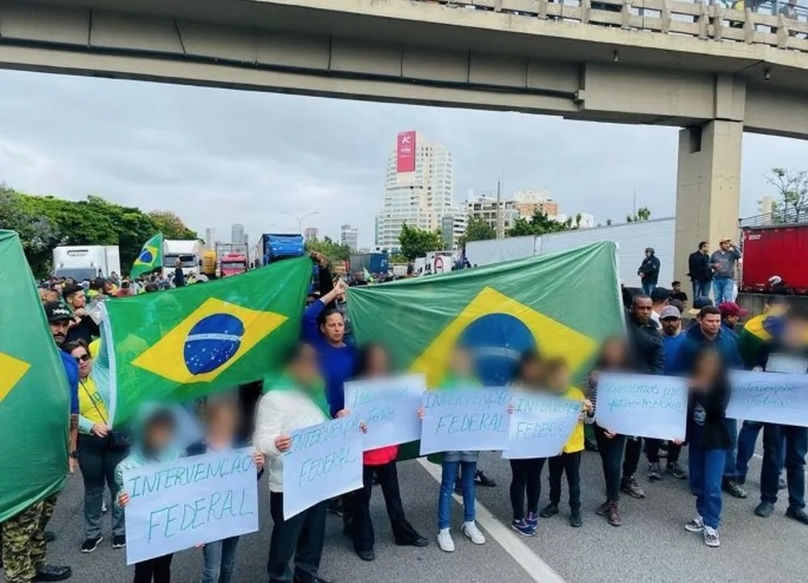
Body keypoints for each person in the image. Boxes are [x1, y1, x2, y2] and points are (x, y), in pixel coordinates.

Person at [253, 343, 349, 583]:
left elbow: (323, 431)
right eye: (306, 361)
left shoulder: (315, 393)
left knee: (313, 534)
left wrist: (340, 421)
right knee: (286, 539)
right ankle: (279, 577)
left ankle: (307, 575)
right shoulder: (274, 398)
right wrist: (276, 443)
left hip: (316, 480)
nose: (313, 366)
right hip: (288, 484)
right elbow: (260, 440)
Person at [1, 303, 77, 583]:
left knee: (40, 518)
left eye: (64, 323)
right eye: (55, 323)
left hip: (52, 455)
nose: (60, 329)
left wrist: (71, 451)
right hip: (20, 458)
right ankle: (19, 575)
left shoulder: (67, 361)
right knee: (18, 523)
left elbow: (72, 410)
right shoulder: (14, 357)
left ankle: (36, 565)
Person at [343, 343, 428, 560]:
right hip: (364, 452)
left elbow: (408, 408)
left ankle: (403, 534)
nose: (378, 362)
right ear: (366, 360)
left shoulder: (395, 384)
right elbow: (349, 417)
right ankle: (363, 541)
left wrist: (420, 411)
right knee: (362, 499)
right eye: (374, 358)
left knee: (393, 496)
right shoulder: (357, 386)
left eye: (381, 358)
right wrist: (345, 416)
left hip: (388, 450)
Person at [187, 397, 264, 583]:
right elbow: (184, 483)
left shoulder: (239, 448)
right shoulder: (196, 448)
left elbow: (248, 480)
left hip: (232, 516)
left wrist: (259, 468)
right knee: (211, 571)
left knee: (228, 564)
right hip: (209, 517)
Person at [675, 306, 747, 500]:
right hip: (697, 401)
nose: (715, 325)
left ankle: (729, 479)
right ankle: (698, 484)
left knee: (728, 440)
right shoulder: (688, 341)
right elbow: (680, 371)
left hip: (723, 402)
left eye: (717, 320)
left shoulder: (730, 339)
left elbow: (738, 366)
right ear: (700, 320)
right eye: (710, 321)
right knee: (698, 443)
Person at [64, 339, 128, 554]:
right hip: (89, 442)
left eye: (84, 357)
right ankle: (92, 534)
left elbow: (109, 339)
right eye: (75, 359)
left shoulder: (102, 370)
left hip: (115, 439)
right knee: (93, 491)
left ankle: (120, 530)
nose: (81, 362)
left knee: (118, 487)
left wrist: (104, 312)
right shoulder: (66, 383)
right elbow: (68, 413)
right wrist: (91, 426)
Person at [421, 348, 486, 553]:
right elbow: (435, 409)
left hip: (470, 442)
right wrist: (426, 412)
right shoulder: (445, 383)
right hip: (450, 443)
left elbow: (486, 410)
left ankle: (469, 522)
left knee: (468, 484)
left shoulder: (476, 384)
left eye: (465, 361)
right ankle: (443, 528)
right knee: (448, 484)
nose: (461, 365)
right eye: (457, 361)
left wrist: (505, 410)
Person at [753, 305, 808, 525]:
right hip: (774, 411)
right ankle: (768, 500)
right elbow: (757, 374)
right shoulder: (768, 346)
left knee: (796, 459)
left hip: (800, 413)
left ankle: (796, 505)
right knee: (772, 455)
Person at [116, 406, 183, 583]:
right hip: (142, 527)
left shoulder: (177, 454)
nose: (161, 436)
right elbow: (121, 491)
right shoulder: (129, 465)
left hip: (167, 524)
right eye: (156, 431)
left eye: (166, 431)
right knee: (143, 571)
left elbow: (186, 486)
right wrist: (121, 499)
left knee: (163, 568)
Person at [684, 347, 733, 548]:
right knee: (698, 480)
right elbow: (682, 411)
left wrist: (700, 388)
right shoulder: (691, 381)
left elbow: (718, 411)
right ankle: (702, 515)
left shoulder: (722, 383)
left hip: (716, 438)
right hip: (696, 436)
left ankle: (712, 524)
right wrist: (679, 433)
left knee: (713, 483)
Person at [583, 337, 631, 526]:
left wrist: (619, 427)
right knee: (606, 460)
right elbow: (584, 392)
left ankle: (614, 504)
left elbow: (633, 403)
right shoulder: (597, 368)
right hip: (600, 422)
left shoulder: (629, 373)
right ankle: (610, 498)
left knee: (613, 463)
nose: (613, 354)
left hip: (619, 425)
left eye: (617, 350)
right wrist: (592, 380)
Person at [622, 295, 664, 499]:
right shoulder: (620, 323)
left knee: (634, 438)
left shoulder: (654, 333)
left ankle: (628, 477)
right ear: (632, 308)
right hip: (616, 390)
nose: (646, 311)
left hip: (639, 394)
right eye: (641, 308)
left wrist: (653, 386)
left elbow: (658, 363)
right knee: (611, 437)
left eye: (649, 308)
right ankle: (612, 480)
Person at [540, 358, 589, 528]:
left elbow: (588, 420)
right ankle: (554, 503)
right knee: (554, 476)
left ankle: (575, 509)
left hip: (573, 445)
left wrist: (588, 412)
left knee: (573, 479)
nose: (561, 377)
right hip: (554, 445)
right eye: (557, 374)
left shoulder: (577, 394)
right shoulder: (547, 394)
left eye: (564, 374)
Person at [301, 279, 357, 419]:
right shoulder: (316, 346)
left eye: (340, 324)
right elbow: (308, 316)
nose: (337, 329)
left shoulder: (353, 352)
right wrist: (334, 292)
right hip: (319, 417)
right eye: (332, 325)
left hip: (347, 418)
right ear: (322, 328)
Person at [645, 306, 687, 481]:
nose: (671, 323)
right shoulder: (654, 339)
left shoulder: (686, 341)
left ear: (679, 321)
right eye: (667, 319)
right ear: (660, 321)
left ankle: (672, 462)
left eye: (674, 319)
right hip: (656, 390)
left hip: (679, 391)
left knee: (676, 429)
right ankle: (653, 461)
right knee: (654, 427)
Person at [507, 350, 546, 536]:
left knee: (535, 476)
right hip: (518, 441)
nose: (533, 370)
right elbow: (502, 410)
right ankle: (517, 517)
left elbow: (555, 413)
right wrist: (507, 408)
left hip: (539, 440)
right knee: (520, 477)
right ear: (522, 367)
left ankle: (532, 511)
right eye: (529, 366)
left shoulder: (546, 387)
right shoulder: (512, 386)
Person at [710, 237, 741, 303]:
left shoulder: (732, 253)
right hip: (717, 279)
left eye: (728, 244)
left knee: (728, 299)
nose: (727, 245)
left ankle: (727, 313)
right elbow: (708, 265)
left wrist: (734, 246)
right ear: (721, 245)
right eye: (725, 243)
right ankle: (718, 312)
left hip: (728, 279)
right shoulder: (715, 254)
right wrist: (714, 265)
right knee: (717, 299)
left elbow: (739, 255)